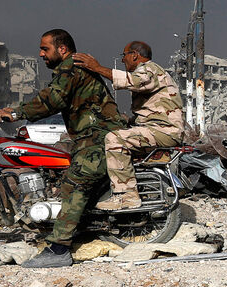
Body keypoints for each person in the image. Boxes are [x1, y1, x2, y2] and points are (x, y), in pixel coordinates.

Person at [0, 29, 124, 268]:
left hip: (99, 136)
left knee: (76, 182)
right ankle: (72, 226)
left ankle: (59, 249)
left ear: (62, 49)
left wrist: (14, 113)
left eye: (45, 49)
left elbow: (52, 100)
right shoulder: (72, 67)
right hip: (88, 135)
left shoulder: (72, 67)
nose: (41, 54)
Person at [71, 42, 184, 211]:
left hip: (165, 131)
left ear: (134, 55)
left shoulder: (149, 69)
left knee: (115, 139)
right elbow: (152, 112)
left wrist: (97, 68)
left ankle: (127, 195)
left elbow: (135, 82)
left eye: (123, 55)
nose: (123, 60)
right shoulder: (151, 71)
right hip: (158, 128)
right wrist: (129, 121)